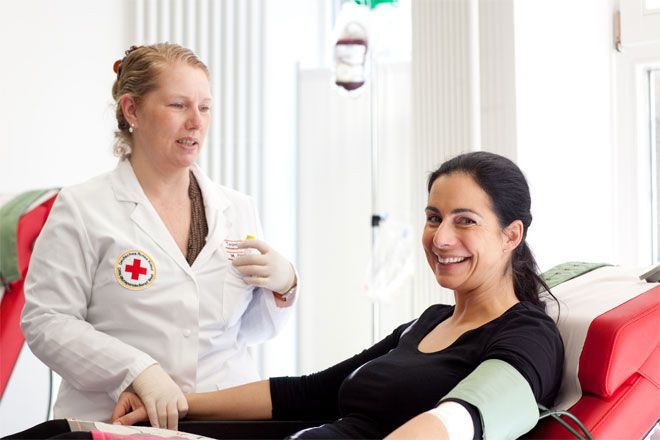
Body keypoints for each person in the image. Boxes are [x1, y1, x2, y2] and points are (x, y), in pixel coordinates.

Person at [108, 151, 565, 439]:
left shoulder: (527, 333)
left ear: (511, 235)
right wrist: (174, 402)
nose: (441, 238)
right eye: (433, 218)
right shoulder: (428, 322)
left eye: (465, 221)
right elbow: (308, 392)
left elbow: (469, 416)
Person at [20, 43, 298, 431]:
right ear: (132, 110)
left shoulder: (236, 209)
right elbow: (47, 321)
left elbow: (250, 330)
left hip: (223, 416)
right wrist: (136, 370)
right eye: (178, 105)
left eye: (205, 107)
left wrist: (285, 286)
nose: (196, 122)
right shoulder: (83, 208)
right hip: (118, 420)